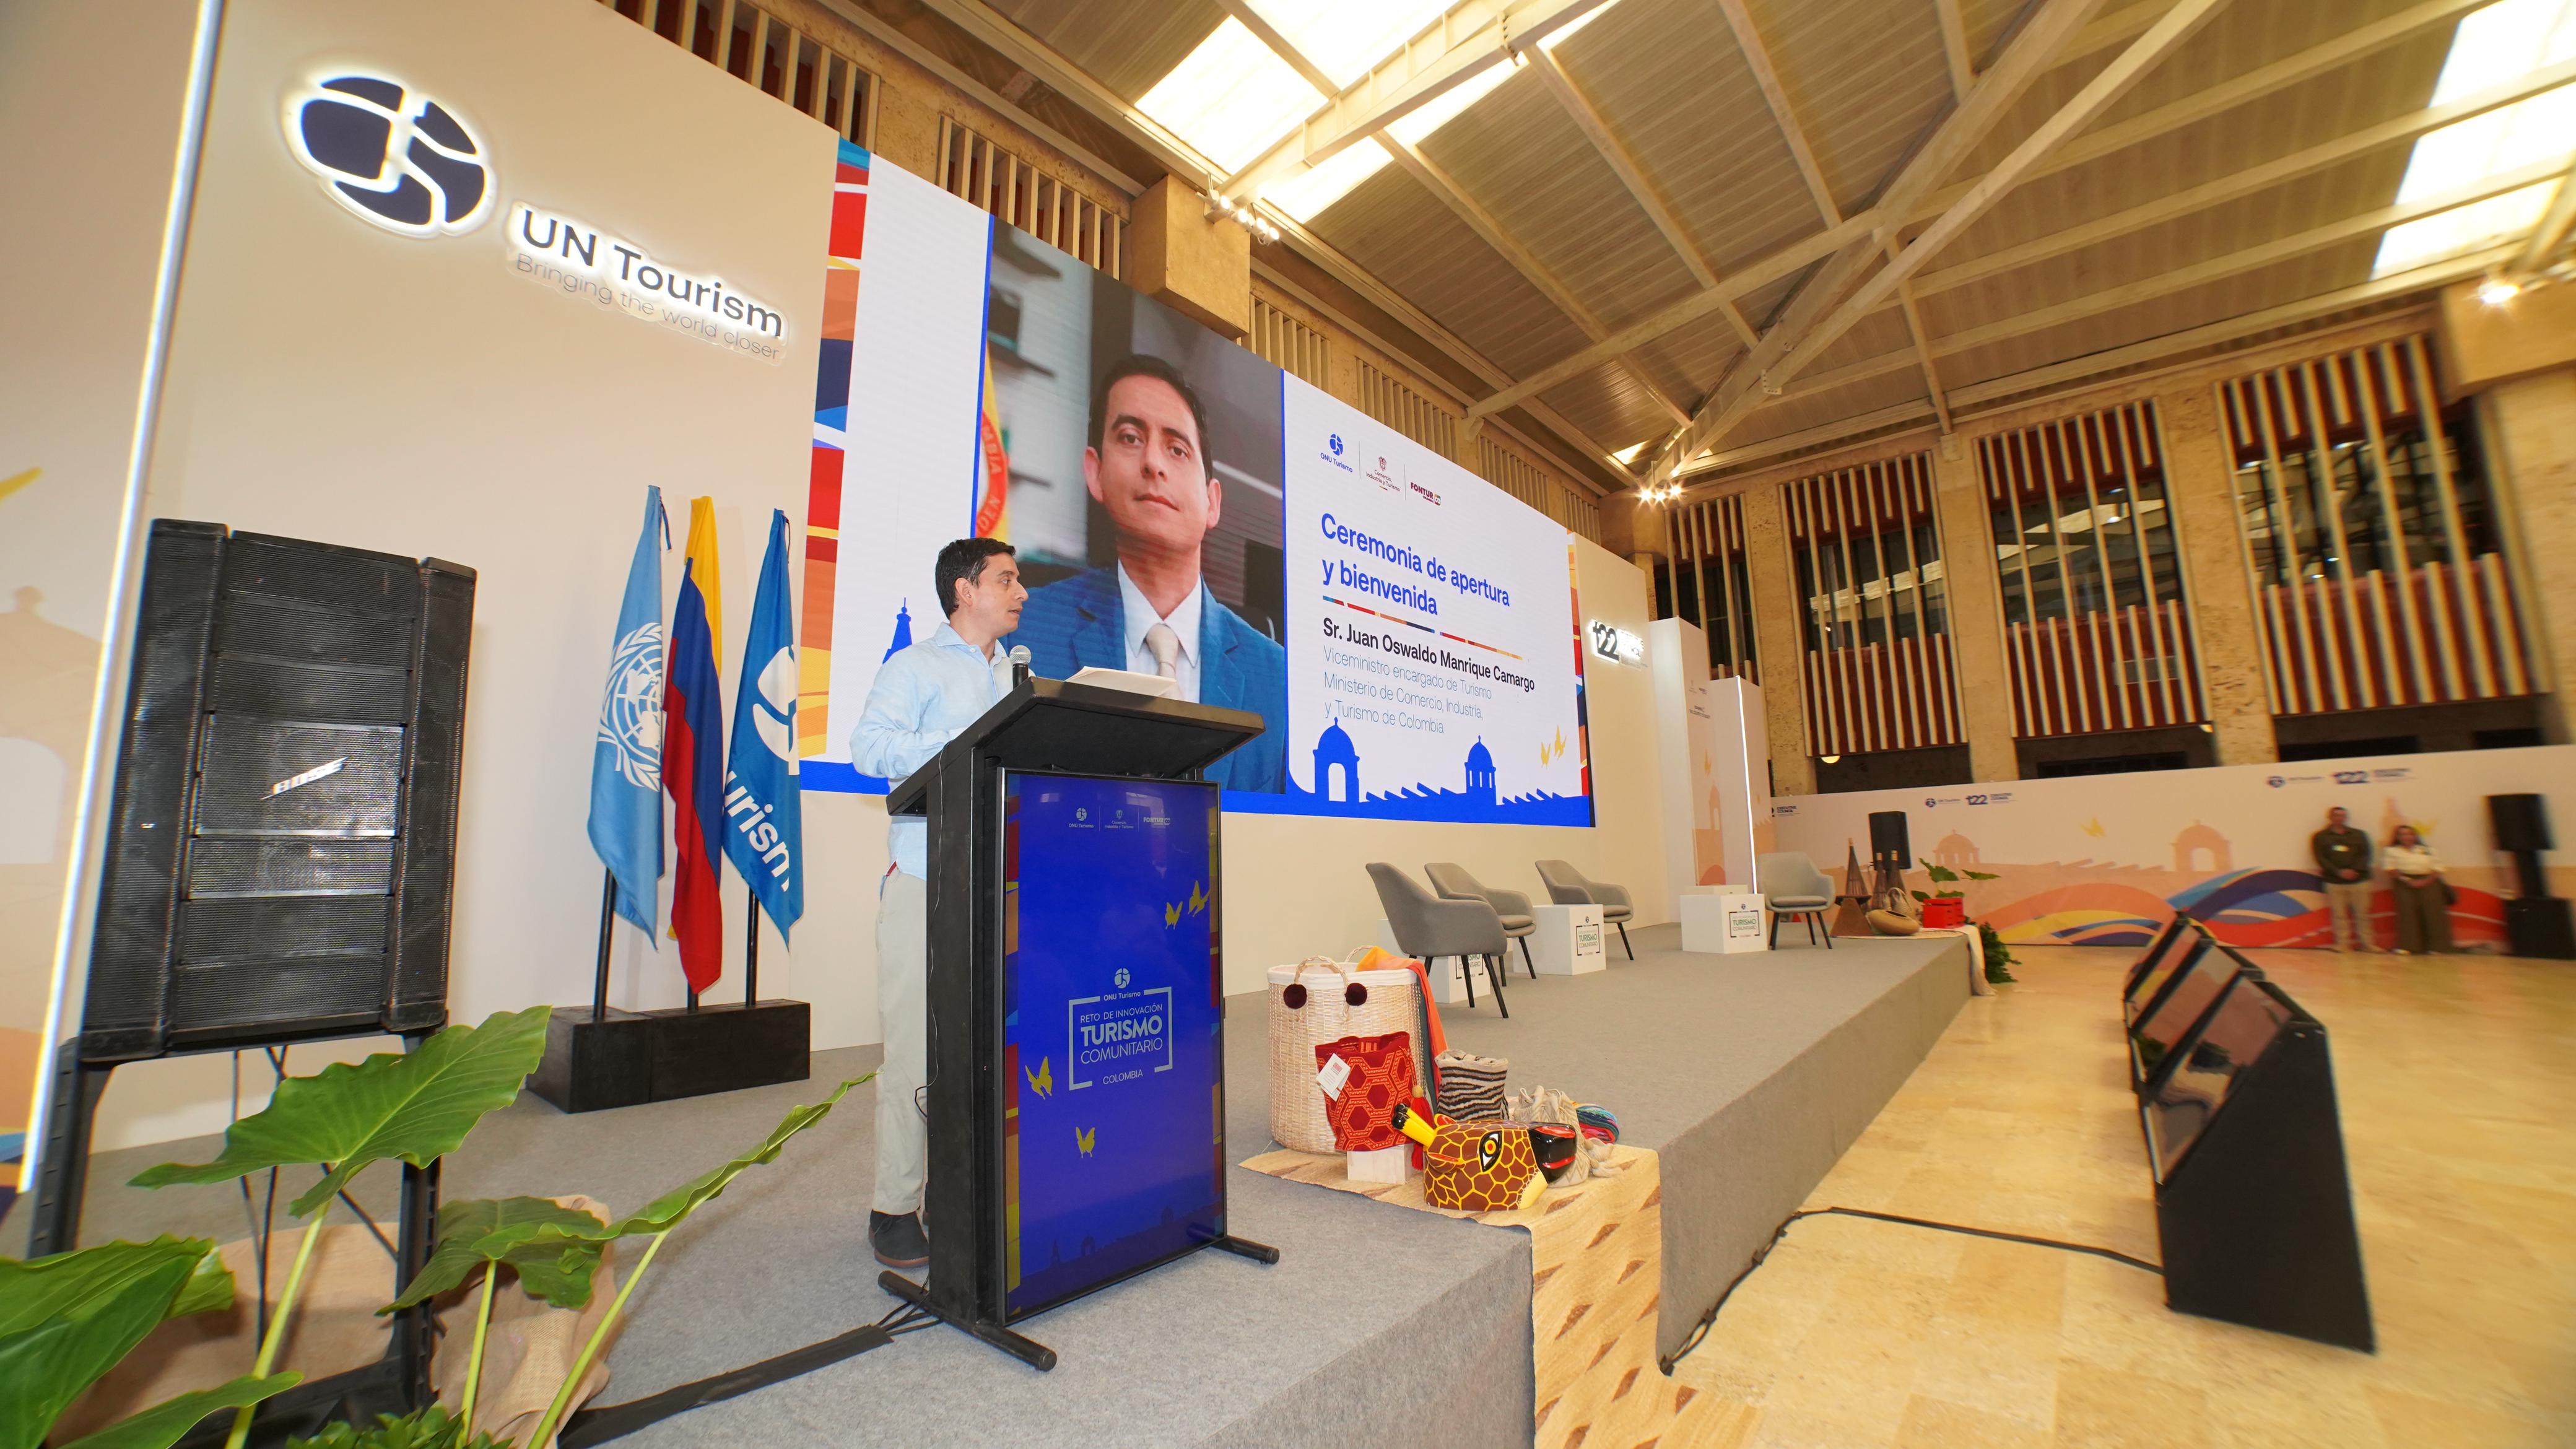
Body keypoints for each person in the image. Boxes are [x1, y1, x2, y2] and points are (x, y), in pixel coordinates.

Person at [848, 537, 1027, 1269]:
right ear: (964, 590)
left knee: (992, 1045)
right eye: (1006, 580)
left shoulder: (1017, 676)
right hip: (926, 881)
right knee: (915, 1053)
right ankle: (893, 1206)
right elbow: (869, 748)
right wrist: (964, 739)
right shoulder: (914, 667)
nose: (1021, 593)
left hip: (1002, 884)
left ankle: (976, 1193)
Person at [1006, 354, 1286, 793]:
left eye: (1177, 449)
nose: (1154, 463)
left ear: (1213, 502)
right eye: (1131, 438)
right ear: (1095, 472)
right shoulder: (1021, 633)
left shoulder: (1276, 674)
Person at [2310, 806, 2375, 951]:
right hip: (2334, 881)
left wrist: (2355, 870)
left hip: (2359, 881)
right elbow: (2321, 858)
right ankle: (2343, 944)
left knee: (2363, 914)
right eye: (2336, 815)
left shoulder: (2359, 835)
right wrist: (2339, 872)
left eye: (2342, 816)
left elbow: (2366, 855)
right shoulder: (2320, 837)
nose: (2340, 818)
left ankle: (2367, 944)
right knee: (2339, 915)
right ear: (2330, 817)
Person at [2383, 822, 2453, 955]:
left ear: (2415, 836)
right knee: (2407, 913)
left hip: (2430, 882)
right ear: (2398, 837)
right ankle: (2409, 946)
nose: (2407, 837)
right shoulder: (2392, 851)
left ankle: (2437, 947)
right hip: (2404, 883)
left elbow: (2438, 869)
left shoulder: (2428, 850)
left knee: (2433, 913)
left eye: (2410, 834)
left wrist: (2425, 881)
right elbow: (2391, 869)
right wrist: (2408, 880)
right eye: (2403, 835)